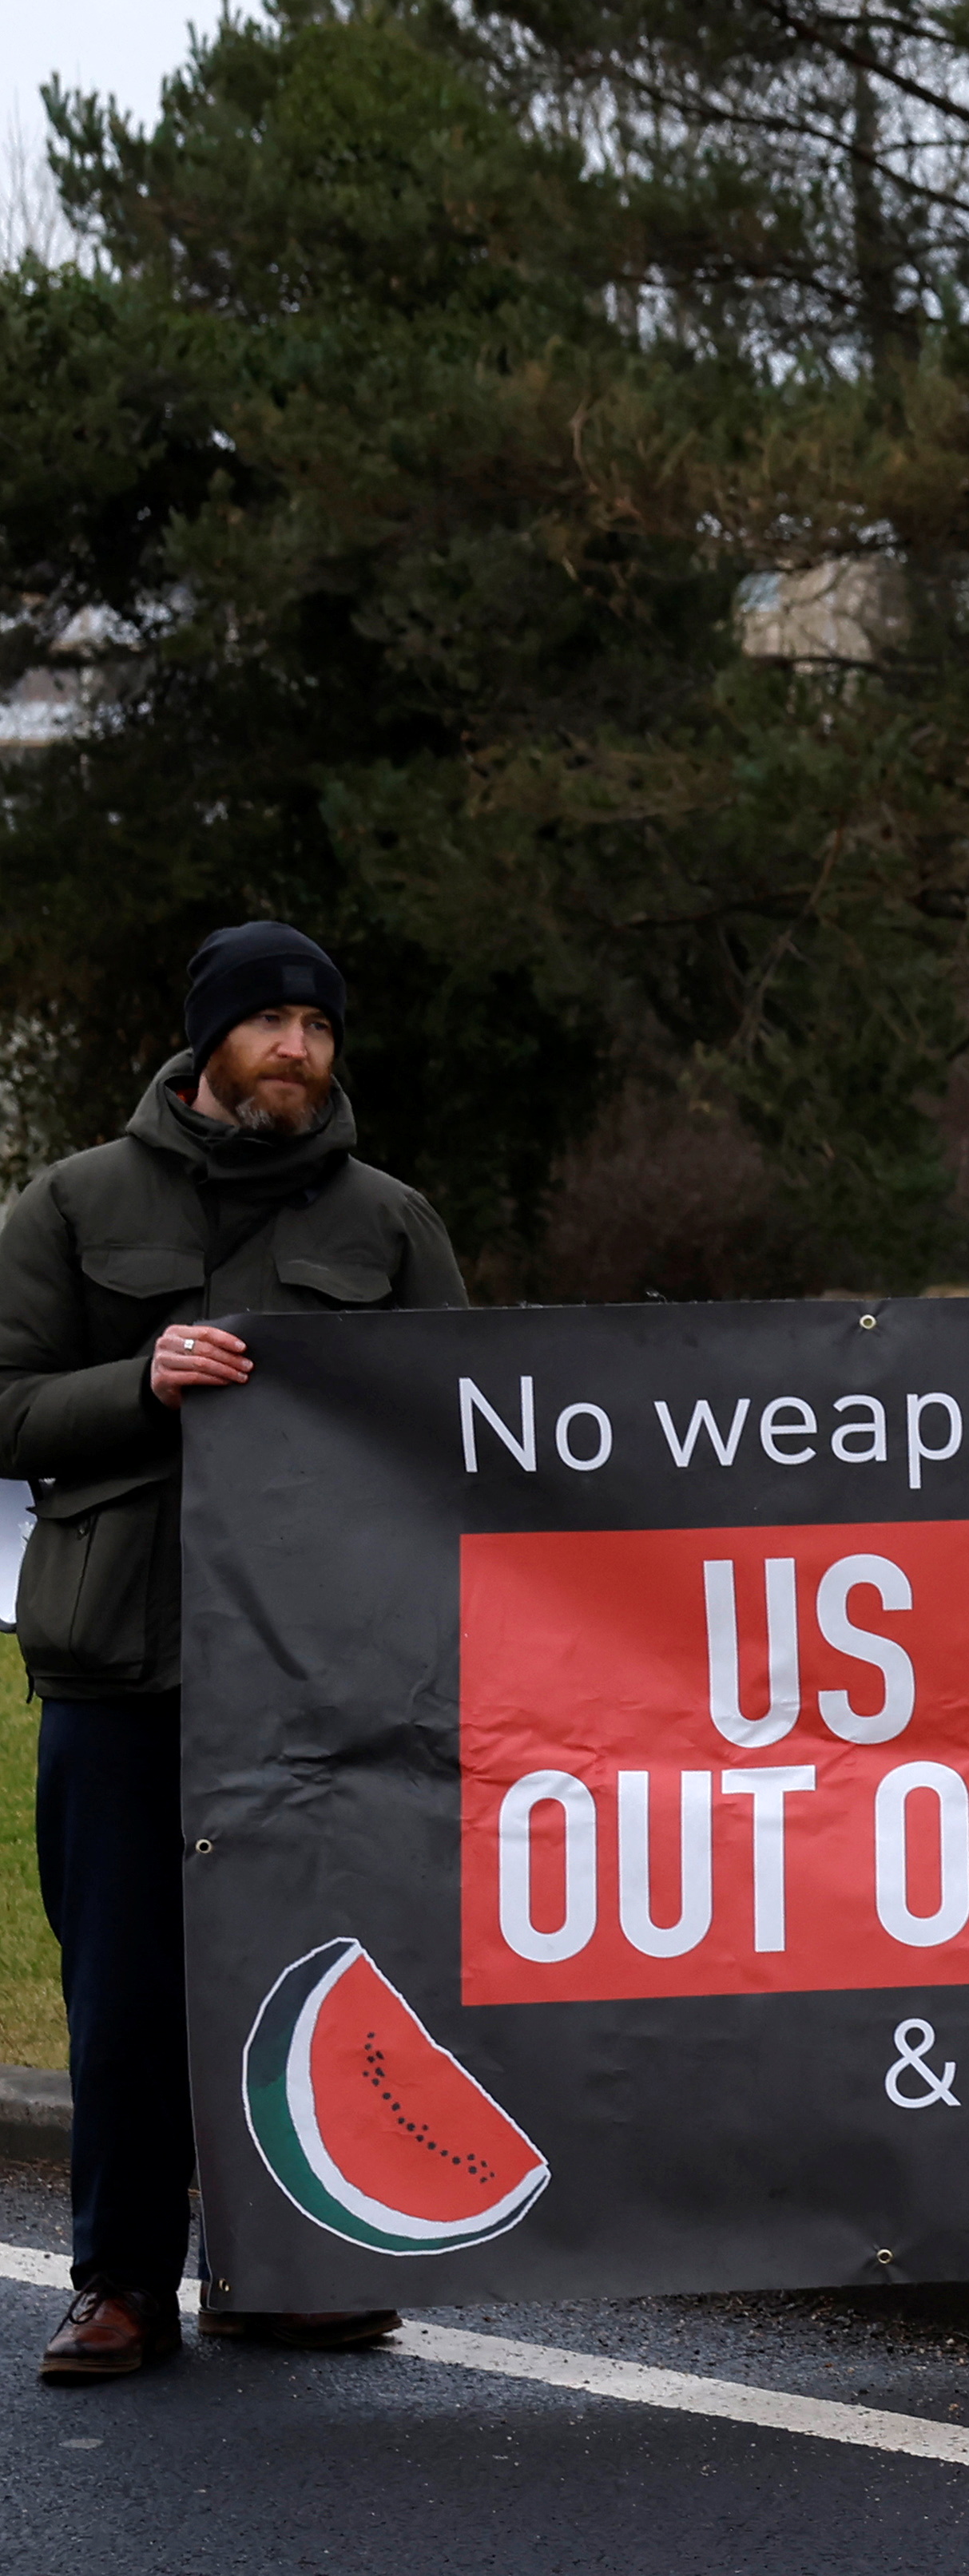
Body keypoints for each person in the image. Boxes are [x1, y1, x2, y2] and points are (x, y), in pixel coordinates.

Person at [6, 924, 467, 2383]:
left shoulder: (389, 1221)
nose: (302, 1051)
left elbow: (461, 1432)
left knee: (305, 1976)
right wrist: (141, 1381)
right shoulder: (75, 1202)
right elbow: (6, 1408)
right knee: (125, 1984)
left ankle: (282, 2274)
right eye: (273, 1024)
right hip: (118, 1659)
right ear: (210, 1039)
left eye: (321, 1029)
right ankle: (121, 2283)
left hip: (315, 1673)